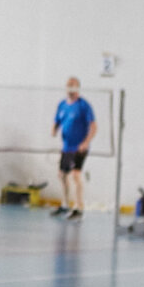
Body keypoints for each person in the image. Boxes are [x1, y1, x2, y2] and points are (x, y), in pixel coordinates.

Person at [51, 77, 97, 220]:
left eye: (73, 85)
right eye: (68, 85)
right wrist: (54, 129)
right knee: (62, 175)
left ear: (77, 88)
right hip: (66, 147)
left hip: (79, 147)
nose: (70, 88)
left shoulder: (84, 105)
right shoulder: (62, 105)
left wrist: (86, 142)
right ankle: (65, 205)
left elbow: (93, 126)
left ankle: (79, 208)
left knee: (75, 175)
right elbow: (57, 121)